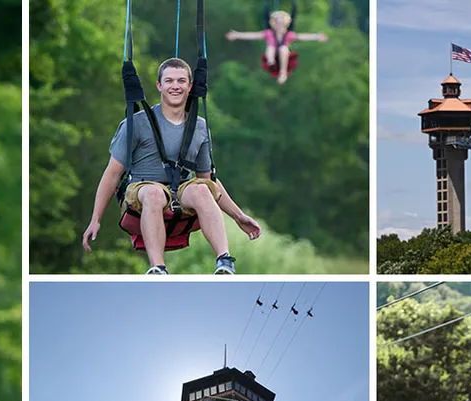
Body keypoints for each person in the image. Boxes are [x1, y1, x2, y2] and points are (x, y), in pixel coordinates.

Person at [80, 58, 262, 275]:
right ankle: (158, 267)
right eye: (169, 81)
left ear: (190, 86)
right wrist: (95, 219)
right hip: (142, 189)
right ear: (159, 86)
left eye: (181, 81)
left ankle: (224, 260)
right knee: (155, 193)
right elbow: (111, 174)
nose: (175, 86)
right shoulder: (136, 123)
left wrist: (238, 216)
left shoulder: (199, 126)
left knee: (202, 189)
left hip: (180, 192)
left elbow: (208, 178)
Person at [225, 10, 328, 85]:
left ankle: (283, 73)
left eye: (282, 23)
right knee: (271, 47)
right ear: (274, 23)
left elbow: (302, 37)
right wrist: (237, 35)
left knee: (283, 49)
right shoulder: (269, 33)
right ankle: (271, 61)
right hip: (272, 57)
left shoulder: (288, 35)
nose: (280, 25)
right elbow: (253, 35)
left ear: (285, 24)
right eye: (278, 22)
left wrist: (317, 36)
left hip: (283, 60)